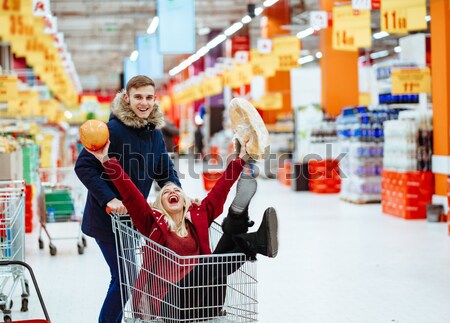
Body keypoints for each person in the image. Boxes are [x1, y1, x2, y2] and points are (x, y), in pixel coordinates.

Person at [85, 139, 278, 322]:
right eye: (165, 193)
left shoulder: (198, 216)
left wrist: (241, 159)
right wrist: (105, 160)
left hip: (207, 300)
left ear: (185, 201)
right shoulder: (152, 223)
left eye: (177, 191)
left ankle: (237, 216)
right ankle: (248, 238)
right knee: (210, 264)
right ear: (159, 205)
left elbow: (220, 189)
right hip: (170, 305)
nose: (172, 192)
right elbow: (130, 193)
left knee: (220, 251)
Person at [74, 75, 181, 323]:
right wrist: (109, 199)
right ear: (127, 98)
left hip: (132, 220)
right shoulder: (112, 131)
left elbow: (165, 172)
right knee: (124, 277)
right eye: (138, 97)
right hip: (107, 219)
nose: (143, 103)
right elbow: (84, 166)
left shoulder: (154, 135)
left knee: (127, 275)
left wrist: (176, 193)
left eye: (148, 97)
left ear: (155, 100)